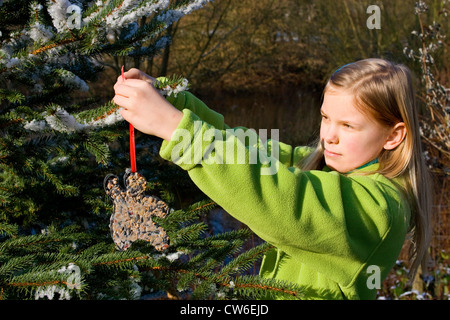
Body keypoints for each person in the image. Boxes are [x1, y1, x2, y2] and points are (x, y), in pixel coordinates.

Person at [113, 58, 432, 300]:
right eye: (325, 117)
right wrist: (174, 103)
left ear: (393, 135)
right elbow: (250, 150)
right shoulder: (327, 167)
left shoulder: (380, 207)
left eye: (348, 126)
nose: (328, 137)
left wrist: (176, 130)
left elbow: (284, 200)